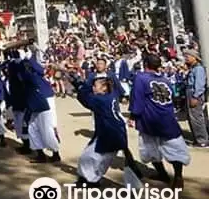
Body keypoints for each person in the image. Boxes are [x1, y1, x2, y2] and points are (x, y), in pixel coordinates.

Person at [129, 54, 191, 189]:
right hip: (168, 118)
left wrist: (133, 115)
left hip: (150, 119)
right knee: (175, 148)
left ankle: (163, 173)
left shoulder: (140, 78)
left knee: (150, 149)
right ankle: (177, 176)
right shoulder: (165, 80)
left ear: (145, 64)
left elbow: (137, 100)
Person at [72, 74, 142, 187]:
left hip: (110, 133)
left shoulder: (101, 100)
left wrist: (80, 83)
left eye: (95, 86)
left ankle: (91, 181)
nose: (93, 88)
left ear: (104, 88)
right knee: (91, 156)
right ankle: (88, 178)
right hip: (113, 130)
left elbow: (84, 97)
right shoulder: (110, 95)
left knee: (95, 157)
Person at [183, 49, 208, 147]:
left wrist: (195, 96)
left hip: (194, 94)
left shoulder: (199, 69)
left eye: (188, 56)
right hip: (189, 92)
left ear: (194, 57)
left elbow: (200, 84)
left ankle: (202, 140)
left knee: (196, 118)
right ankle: (197, 138)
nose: (186, 58)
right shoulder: (192, 68)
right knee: (191, 117)